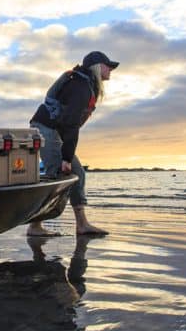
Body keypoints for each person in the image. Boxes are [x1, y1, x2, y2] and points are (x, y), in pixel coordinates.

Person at [27, 50, 118, 237]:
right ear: (97, 66)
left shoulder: (86, 83)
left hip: (53, 129)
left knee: (78, 173)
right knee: (56, 175)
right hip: (45, 128)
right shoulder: (81, 87)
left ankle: (82, 224)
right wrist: (66, 157)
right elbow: (71, 124)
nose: (111, 70)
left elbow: (68, 124)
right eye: (108, 66)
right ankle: (35, 226)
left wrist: (67, 155)